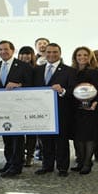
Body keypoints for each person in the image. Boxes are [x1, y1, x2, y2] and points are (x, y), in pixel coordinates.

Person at [0, 41, 33, 177]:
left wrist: (19, 85)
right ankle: (9, 163)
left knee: (17, 139)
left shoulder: (24, 66)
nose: (3, 52)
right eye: (0, 50)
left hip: (18, 108)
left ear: (13, 50)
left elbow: (31, 85)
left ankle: (16, 166)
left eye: (6, 49)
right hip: (2, 108)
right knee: (6, 137)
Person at [33, 43, 76, 176]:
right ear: (44, 53)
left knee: (61, 141)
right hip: (42, 112)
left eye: (55, 52)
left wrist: (62, 91)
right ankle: (47, 166)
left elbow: (73, 91)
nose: (51, 54)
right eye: (49, 52)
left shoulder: (69, 71)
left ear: (60, 53)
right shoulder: (37, 70)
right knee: (45, 141)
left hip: (61, 111)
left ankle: (62, 168)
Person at [70, 46, 98, 175]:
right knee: (78, 136)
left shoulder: (95, 71)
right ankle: (80, 161)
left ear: (90, 57)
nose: (82, 57)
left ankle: (87, 163)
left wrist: (94, 103)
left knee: (89, 136)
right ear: (75, 57)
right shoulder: (72, 71)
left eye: (85, 55)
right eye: (79, 55)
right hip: (75, 108)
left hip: (90, 108)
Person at [16, 46, 37, 167]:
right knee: (19, 132)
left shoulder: (37, 69)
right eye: (23, 54)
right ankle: (20, 156)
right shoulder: (15, 68)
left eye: (28, 54)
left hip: (32, 104)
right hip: (17, 104)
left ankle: (30, 156)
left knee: (31, 132)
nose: (25, 56)